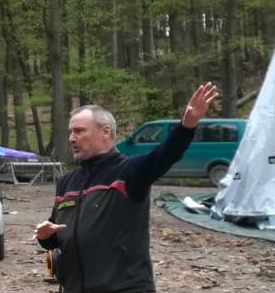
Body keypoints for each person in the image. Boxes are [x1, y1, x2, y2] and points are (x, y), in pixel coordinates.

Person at [35, 82, 220, 293]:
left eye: (79, 131)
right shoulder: (67, 181)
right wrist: (45, 236)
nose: (71, 138)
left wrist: (187, 126)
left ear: (105, 132)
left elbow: (166, 154)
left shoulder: (129, 172)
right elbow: (56, 235)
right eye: (70, 132)